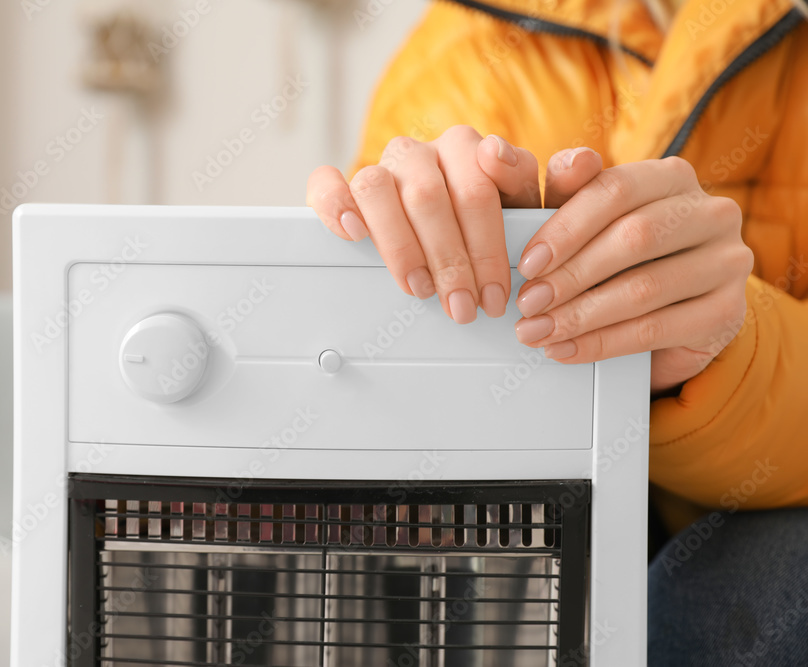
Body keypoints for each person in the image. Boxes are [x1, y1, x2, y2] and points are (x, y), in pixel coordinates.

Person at [307, 1, 808, 664]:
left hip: (745, 528)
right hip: (520, 539)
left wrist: (722, 348)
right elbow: (374, 425)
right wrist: (398, 254)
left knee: (748, 591)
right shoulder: (462, 43)